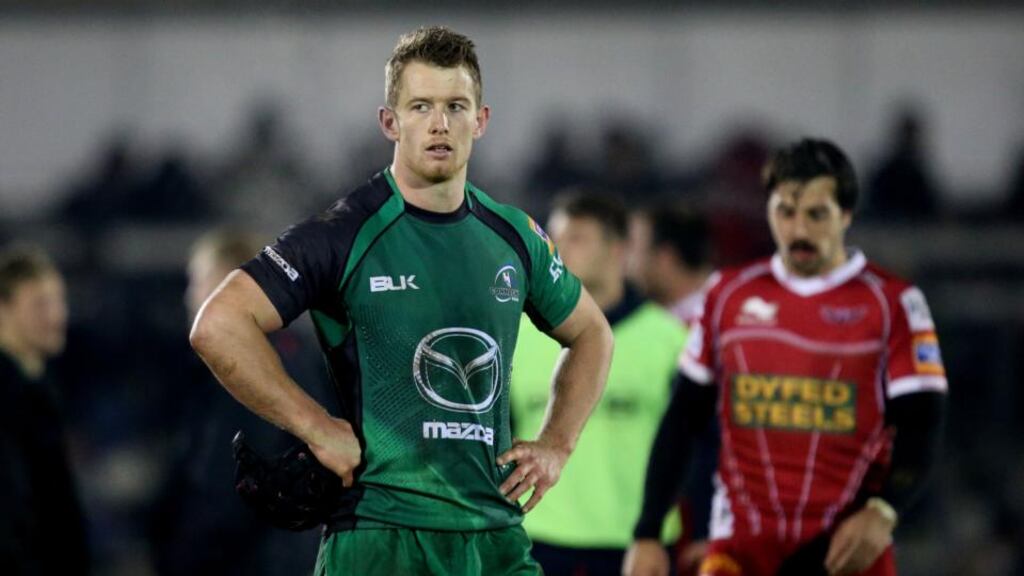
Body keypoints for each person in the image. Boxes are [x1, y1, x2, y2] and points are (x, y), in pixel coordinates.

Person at [189, 26, 613, 576]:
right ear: (390, 122)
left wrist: (558, 444)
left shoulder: (516, 237)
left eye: (456, 106)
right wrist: (315, 426)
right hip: (379, 537)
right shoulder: (343, 233)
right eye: (421, 106)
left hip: (494, 539)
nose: (440, 124)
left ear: (481, 121)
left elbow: (592, 333)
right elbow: (218, 323)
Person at [623, 138, 947, 576]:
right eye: (785, 212)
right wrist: (646, 533)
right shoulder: (728, 294)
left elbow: (922, 424)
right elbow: (683, 419)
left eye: (816, 214)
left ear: (846, 215)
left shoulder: (893, 304)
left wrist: (885, 509)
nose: (798, 230)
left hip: (845, 553)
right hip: (739, 553)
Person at [511, 194, 686, 575]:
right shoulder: (517, 336)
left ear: (618, 249)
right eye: (555, 238)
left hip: (635, 543)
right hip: (536, 536)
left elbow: (695, 443)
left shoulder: (670, 338)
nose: (558, 250)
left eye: (577, 238)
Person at [152, 229, 330, 576]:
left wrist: (187, 550)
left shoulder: (245, 362)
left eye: (198, 281)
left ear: (225, 284)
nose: (190, 297)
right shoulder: (294, 350)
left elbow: (231, 474)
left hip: (251, 557)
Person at [627, 204, 718, 575]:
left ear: (663, 258)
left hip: (701, 520)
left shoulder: (703, 329)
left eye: (632, 247)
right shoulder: (670, 323)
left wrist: (705, 522)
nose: (625, 261)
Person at [0, 245, 90, 575]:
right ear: (2, 309)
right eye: (40, 304)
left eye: (59, 301)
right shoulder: (11, 396)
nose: (57, 316)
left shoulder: (37, 388)